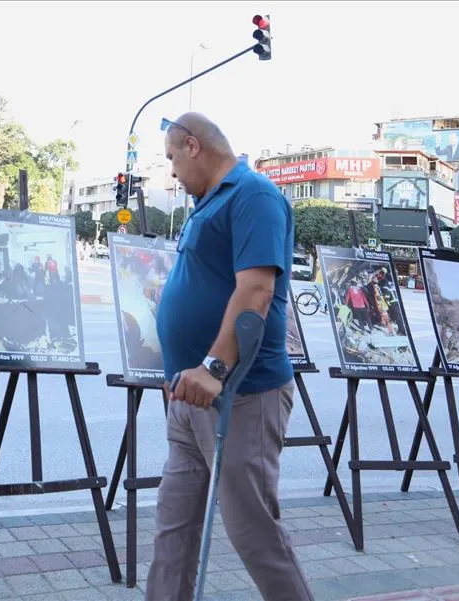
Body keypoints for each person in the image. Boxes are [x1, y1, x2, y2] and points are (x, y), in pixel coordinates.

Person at [147, 113, 313, 601]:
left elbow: (256, 290)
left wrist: (214, 368)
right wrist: (180, 372)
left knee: (253, 531)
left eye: (172, 158)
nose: (171, 172)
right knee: (172, 529)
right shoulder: (205, 203)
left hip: (241, 393)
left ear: (192, 146)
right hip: (189, 395)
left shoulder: (254, 195)